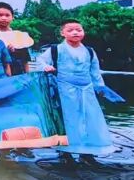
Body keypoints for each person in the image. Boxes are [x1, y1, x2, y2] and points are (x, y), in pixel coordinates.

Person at [40, 20, 119, 157]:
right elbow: (41, 60)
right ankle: (66, 150)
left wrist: (100, 87)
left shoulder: (90, 51)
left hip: (87, 88)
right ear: (62, 33)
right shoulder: (56, 49)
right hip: (64, 87)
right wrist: (46, 66)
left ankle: (90, 148)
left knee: (90, 116)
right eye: (70, 30)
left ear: (83, 32)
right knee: (68, 116)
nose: (75, 32)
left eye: (78, 29)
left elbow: (95, 72)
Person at [0, 2, 30, 75]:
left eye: (7, 15)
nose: (4, 18)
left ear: (12, 17)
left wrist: (28, 76)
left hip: (18, 75)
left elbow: (25, 60)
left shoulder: (19, 35)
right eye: (0, 15)